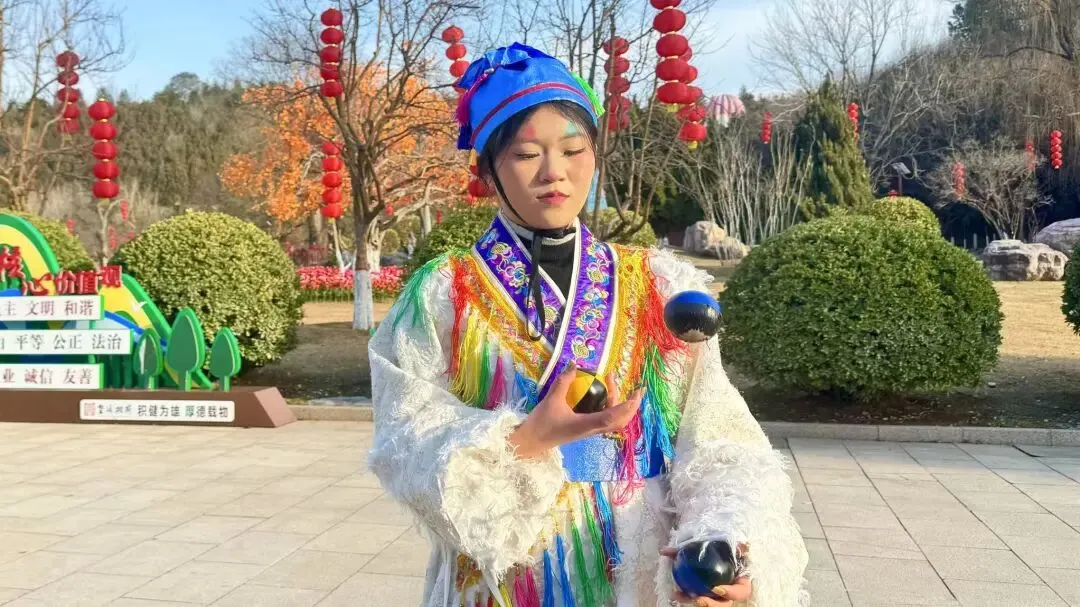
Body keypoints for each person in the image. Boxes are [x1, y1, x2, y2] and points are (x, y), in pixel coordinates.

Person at [368, 42, 808, 607]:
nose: (554, 172)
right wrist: (524, 441)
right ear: (487, 170)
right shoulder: (443, 294)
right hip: (507, 570)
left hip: (640, 561)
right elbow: (403, 436)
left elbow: (719, 439)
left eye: (574, 149)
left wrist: (719, 540)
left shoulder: (660, 286)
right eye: (526, 154)